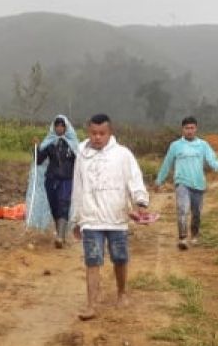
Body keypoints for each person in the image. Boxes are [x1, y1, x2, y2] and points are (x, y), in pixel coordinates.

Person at [70, 114, 150, 320]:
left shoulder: (123, 155)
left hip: (117, 217)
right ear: (88, 132)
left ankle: (122, 293)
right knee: (92, 260)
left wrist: (140, 202)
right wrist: (76, 219)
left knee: (120, 258)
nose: (97, 137)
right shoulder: (82, 156)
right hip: (90, 218)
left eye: (102, 133)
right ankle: (91, 305)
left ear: (110, 133)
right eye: (93, 133)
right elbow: (77, 188)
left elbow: (135, 179)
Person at [156, 116, 218, 250]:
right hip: (182, 183)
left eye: (192, 128)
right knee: (183, 209)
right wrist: (159, 180)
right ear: (182, 129)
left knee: (196, 213)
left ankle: (195, 235)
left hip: (198, 183)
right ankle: (182, 238)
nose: (189, 131)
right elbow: (167, 163)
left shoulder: (203, 145)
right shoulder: (175, 146)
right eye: (187, 128)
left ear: (196, 129)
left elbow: (211, 158)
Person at [35, 115, 79, 248]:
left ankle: (60, 237)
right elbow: (39, 160)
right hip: (51, 179)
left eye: (62, 126)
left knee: (64, 203)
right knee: (55, 206)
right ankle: (61, 234)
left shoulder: (73, 144)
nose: (59, 128)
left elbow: (81, 161)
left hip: (67, 179)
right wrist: (37, 148)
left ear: (66, 127)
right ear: (54, 127)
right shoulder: (49, 142)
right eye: (57, 126)